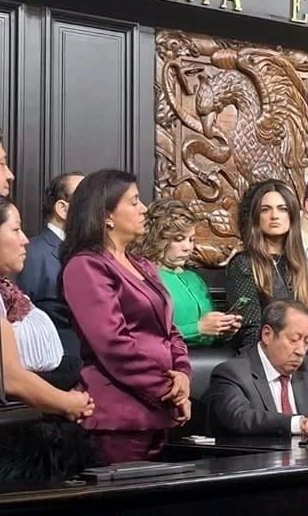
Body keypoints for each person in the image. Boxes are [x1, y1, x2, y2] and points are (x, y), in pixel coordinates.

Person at [62, 169, 191, 463]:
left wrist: (183, 374)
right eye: (134, 202)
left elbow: (170, 330)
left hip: (160, 412)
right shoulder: (86, 266)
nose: (144, 208)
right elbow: (113, 345)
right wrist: (169, 391)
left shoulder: (143, 264)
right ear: (107, 215)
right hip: (119, 416)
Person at [0, 191, 93, 416]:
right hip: (17, 419)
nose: (25, 239)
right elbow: (10, 378)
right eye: (16, 230)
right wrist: (68, 403)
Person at [226, 180, 308, 378]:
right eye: (265, 210)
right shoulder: (243, 263)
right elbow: (251, 329)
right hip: (263, 368)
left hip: (303, 364)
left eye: (282, 209)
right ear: (256, 217)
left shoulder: (302, 264)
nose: (274, 216)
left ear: (292, 215)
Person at [207, 300, 308, 436]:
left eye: (306, 342)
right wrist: (306, 425)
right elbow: (241, 418)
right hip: (258, 456)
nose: (301, 351)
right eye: (294, 340)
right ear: (267, 335)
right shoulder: (232, 374)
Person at [130, 198, 242, 346]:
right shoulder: (144, 278)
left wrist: (224, 329)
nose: (188, 247)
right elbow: (142, 335)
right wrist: (197, 328)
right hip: (167, 357)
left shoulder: (194, 279)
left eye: (191, 240)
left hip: (211, 357)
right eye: (179, 239)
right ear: (157, 238)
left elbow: (210, 334)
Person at [18, 172, 85, 361]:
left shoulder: (94, 252)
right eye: (87, 200)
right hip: (55, 363)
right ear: (63, 209)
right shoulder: (31, 253)